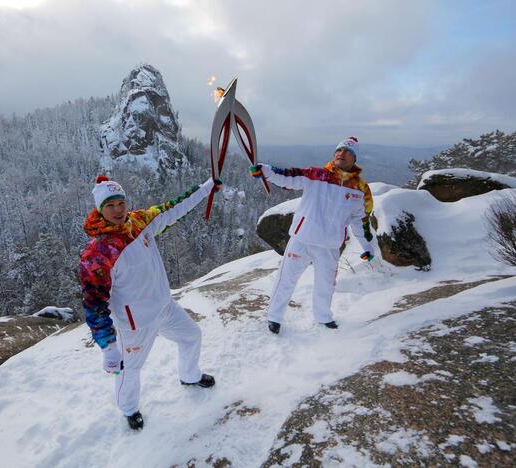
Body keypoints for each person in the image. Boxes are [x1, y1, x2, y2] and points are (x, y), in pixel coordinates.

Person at [80, 175, 221, 431]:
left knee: (191, 336)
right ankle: (129, 409)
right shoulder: (98, 254)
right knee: (130, 369)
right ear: (100, 210)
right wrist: (108, 347)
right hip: (135, 324)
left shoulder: (139, 223)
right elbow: (94, 304)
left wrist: (207, 187)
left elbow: (174, 207)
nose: (118, 210)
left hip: (165, 308)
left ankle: (189, 377)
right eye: (110, 205)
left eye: (121, 203)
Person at [249, 136, 374, 333]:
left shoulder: (360, 189)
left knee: (326, 284)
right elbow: (288, 176)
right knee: (286, 279)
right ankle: (274, 316)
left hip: (330, 245)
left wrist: (368, 247)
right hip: (303, 239)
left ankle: (323, 317)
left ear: (354, 158)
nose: (341, 154)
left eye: (347, 151)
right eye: (338, 150)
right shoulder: (317, 175)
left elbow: (361, 221)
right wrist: (265, 171)